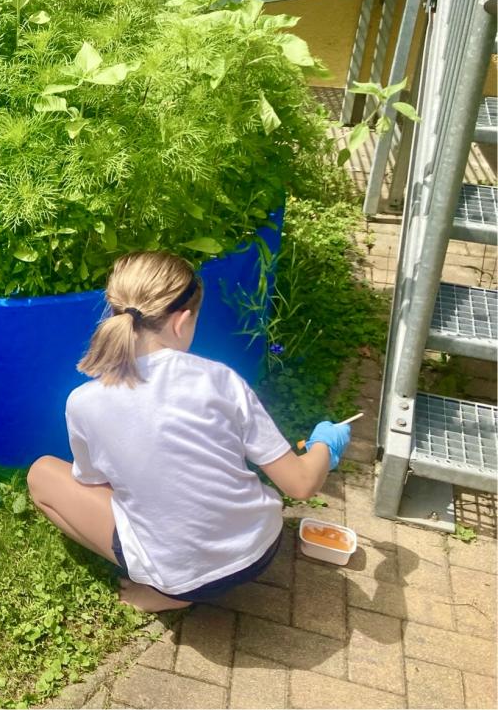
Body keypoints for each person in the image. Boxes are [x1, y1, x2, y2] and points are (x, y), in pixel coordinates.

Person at [27, 251, 351, 613]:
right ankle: (176, 578)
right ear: (182, 322)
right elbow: (301, 485)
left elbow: (91, 480)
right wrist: (325, 442)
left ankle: (169, 591)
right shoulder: (219, 379)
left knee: (42, 474)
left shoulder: (83, 402)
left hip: (181, 574)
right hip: (259, 549)